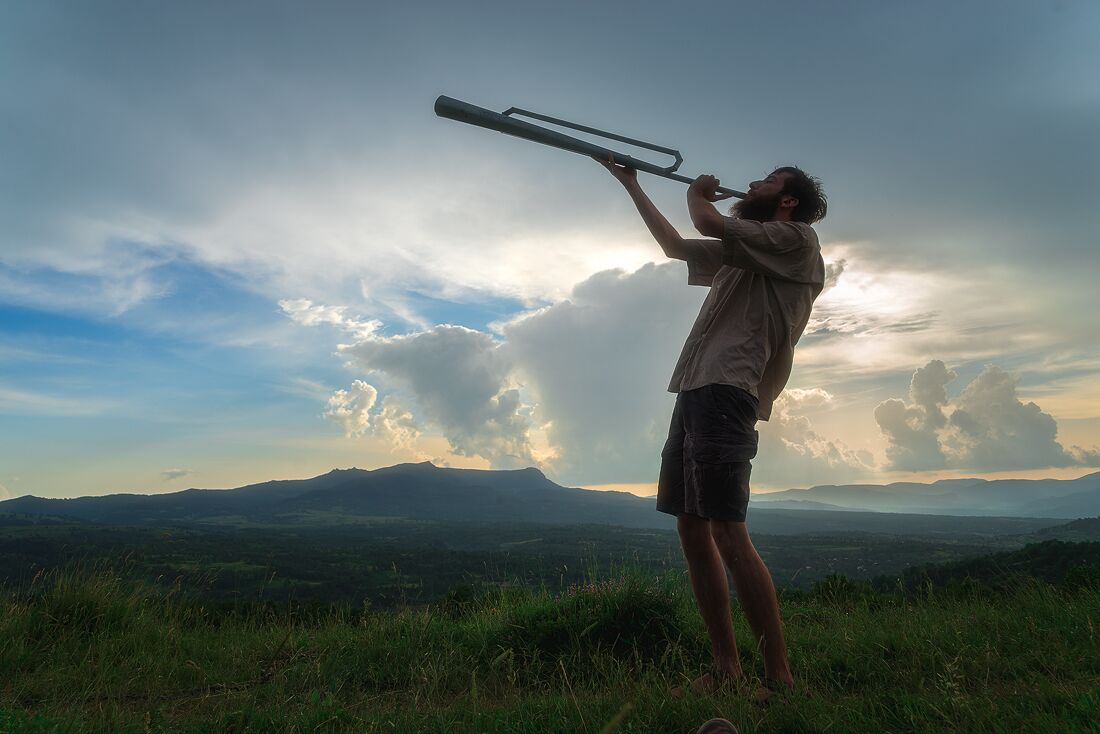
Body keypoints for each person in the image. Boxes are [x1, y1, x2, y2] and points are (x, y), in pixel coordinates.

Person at [597, 156, 827, 699]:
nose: (751, 183)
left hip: (728, 389)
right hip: (698, 386)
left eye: (768, 180)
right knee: (691, 526)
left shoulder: (795, 241)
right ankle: (726, 668)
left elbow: (706, 221)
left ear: (788, 200)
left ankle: (779, 678)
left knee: (727, 530)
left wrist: (699, 194)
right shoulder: (747, 252)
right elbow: (678, 246)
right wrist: (631, 185)